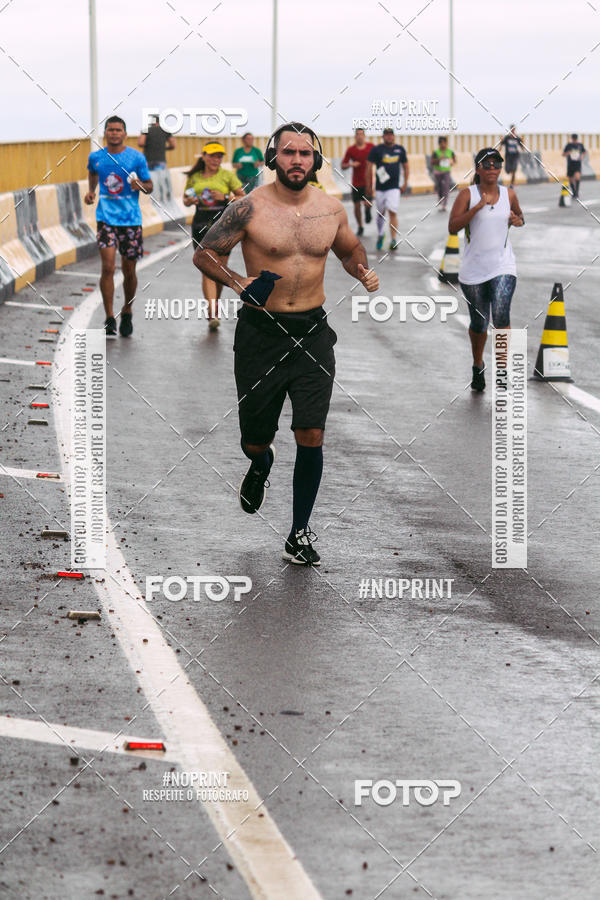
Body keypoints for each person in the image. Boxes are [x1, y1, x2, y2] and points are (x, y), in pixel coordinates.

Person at [193, 122, 379, 565]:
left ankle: (298, 533)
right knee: (256, 437)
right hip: (261, 334)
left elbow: (350, 250)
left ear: (316, 160)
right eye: (289, 152)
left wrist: (361, 270)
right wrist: (239, 283)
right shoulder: (248, 208)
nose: (298, 160)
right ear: (272, 158)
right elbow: (205, 252)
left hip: (313, 332)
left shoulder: (331, 209)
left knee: (311, 433)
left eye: (306, 153)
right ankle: (259, 463)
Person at [448, 147, 524, 392]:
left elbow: (520, 217)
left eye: (496, 164)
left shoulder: (509, 194)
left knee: (501, 316)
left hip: (503, 265)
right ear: (478, 169)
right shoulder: (466, 195)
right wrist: (477, 207)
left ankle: (502, 371)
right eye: (487, 164)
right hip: (473, 271)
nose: (493, 168)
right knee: (479, 324)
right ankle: (478, 364)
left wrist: (517, 220)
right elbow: (452, 227)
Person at [85, 116, 153, 337]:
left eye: (118, 130)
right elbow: (93, 173)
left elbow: (150, 186)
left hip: (131, 221)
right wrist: (91, 191)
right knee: (107, 268)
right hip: (106, 219)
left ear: (124, 133)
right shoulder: (96, 157)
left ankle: (127, 310)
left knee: (129, 271)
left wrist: (140, 185)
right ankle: (109, 317)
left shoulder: (136, 157)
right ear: (106, 133)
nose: (114, 133)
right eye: (110, 130)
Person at [183, 143, 245, 330]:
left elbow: (243, 198)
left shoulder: (227, 176)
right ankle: (213, 313)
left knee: (219, 269)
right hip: (201, 224)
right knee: (206, 266)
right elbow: (185, 199)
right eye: (212, 156)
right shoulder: (194, 177)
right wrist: (190, 200)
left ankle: (214, 305)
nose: (215, 160)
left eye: (219, 156)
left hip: (223, 225)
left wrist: (225, 197)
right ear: (203, 157)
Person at [367, 127, 409, 251]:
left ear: (394, 136)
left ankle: (393, 239)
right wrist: (369, 186)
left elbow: (406, 167)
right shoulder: (377, 150)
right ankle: (380, 234)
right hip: (380, 188)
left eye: (391, 135)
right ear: (383, 136)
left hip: (394, 187)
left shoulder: (400, 150)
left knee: (392, 211)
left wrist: (405, 183)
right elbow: (369, 167)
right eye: (387, 135)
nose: (389, 137)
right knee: (381, 213)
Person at [341, 127, 374, 235]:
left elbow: (379, 159)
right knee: (356, 206)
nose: (360, 136)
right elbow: (343, 165)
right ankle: (360, 226)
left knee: (367, 203)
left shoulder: (371, 147)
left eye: (361, 134)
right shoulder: (351, 150)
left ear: (364, 136)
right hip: (356, 183)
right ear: (355, 136)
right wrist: (351, 164)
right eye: (358, 134)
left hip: (368, 182)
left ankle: (368, 210)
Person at [431, 136, 456, 211]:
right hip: (438, 172)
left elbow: (454, 160)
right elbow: (432, 162)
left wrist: (451, 162)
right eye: (441, 143)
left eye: (444, 143)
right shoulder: (436, 152)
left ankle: (444, 204)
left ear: (446, 143)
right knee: (439, 187)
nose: (443, 145)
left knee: (446, 187)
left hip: (446, 172)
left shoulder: (450, 152)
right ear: (439, 144)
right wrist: (439, 159)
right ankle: (440, 197)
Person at [563, 133, 587, 199]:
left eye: (575, 139)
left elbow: (584, 152)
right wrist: (568, 153)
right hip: (570, 164)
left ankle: (576, 193)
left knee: (577, 177)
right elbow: (563, 154)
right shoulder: (568, 145)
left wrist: (582, 156)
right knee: (570, 179)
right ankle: (574, 192)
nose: (574, 140)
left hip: (577, 164)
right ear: (572, 139)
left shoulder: (580, 145)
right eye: (574, 139)